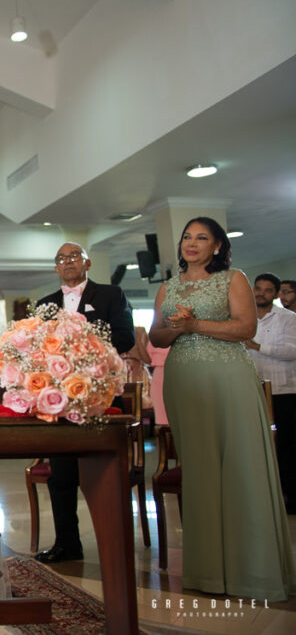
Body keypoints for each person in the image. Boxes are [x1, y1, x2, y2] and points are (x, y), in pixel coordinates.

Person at [150, 218, 294, 600]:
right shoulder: (168, 286)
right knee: (199, 468)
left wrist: (195, 323)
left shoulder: (233, 278)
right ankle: (207, 573)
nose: (191, 243)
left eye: (201, 237)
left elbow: (246, 329)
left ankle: (254, 570)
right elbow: (156, 335)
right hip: (184, 379)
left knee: (240, 463)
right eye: (186, 237)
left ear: (217, 246)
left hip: (229, 374)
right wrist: (176, 328)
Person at [33, 243, 134, 564]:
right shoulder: (46, 304)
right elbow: (37, 350)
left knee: (105, 474)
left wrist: (81, 345)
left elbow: (125, 338)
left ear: (87, 262)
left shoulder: (110, 295)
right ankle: (67, 543)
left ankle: (116, 544)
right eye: (61, 259)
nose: (68, 262)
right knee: (60, 476)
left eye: (74, 256)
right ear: (55, 268)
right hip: (59, 399)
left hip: (101, 397)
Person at [246, 273, 296, 514]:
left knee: (286, 447)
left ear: (275, 294)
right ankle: (262, 498)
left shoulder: (288, 318)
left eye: (267, 290)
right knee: (256, 445)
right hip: (252, 390)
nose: (260, 293)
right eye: (258, 288)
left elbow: (291, 351)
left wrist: (257, 346)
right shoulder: (243, 317)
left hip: (284, 390)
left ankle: (290, 497)